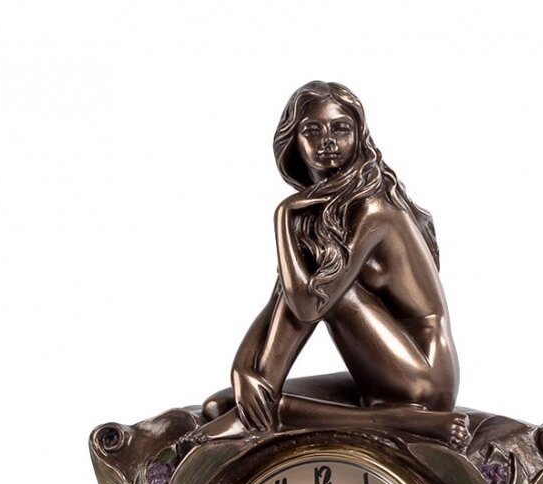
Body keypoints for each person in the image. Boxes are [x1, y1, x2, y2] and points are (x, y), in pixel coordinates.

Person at [198, 81, 470, 450]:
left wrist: (283, 216)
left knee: (325, 289)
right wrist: (243, 370)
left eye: (341, 128)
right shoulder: (321, 214)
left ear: (359, 137)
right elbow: (280, 300)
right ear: (293, 140)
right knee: (224, 403)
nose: (328, 141)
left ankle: (409, 417)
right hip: (380, 374)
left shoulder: (373, 209)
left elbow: (309, 307)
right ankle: (398, 420)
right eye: (313, 130)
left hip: (422, 377)